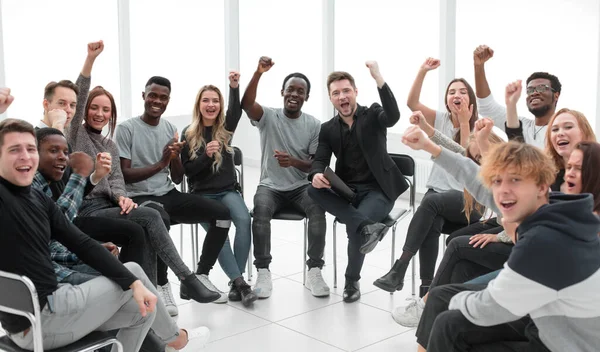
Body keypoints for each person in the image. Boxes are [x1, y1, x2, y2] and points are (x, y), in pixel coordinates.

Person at [0, 116, 209, 352]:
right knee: (134, 274)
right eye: (14, 150)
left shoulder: (35, 197)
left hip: (46, 311)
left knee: (143, 309)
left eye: (29, 149)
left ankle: (171, 337)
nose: (26, 156)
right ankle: (177, 338)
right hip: (43, 319)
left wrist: (133, 284)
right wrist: (133, 283)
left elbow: (79, 241)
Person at [403, 137, 600, 351]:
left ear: (542, 187)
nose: (503, 190)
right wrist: (430, 146)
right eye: (497, 181)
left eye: (515, 180)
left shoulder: (545, 236)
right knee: (447, 317)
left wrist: (449, 303)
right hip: (544, 316)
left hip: (562, 341)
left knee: (447, 318)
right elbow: (479, 183)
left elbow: (492, 306)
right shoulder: (560, 207)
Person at [66, 55, 219, 307]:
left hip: (108, 209)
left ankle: (147, 299)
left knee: (146, 222)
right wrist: (90, 61)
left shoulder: (109, 145)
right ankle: (187, 279)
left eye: (106, 110)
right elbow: (79, 94)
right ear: (84, 109)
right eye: (94, 108)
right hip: (82, 212)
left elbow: (116, 182)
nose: (99, 114)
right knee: (150, 216)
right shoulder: (76, 134)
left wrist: (122, 197)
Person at [115, 76, 234, 310]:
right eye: (153, 95)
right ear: (143, 96)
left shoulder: (170, 129)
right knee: (160, 218)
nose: (157, 101)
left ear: (168, 100)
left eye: (163, 97)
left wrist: (173, 158)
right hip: (139, 197)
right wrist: (161, 162)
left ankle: (200, 275)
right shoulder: (126, 129)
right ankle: (162, 284)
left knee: (222, 214)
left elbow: (178, 177)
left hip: (168, 192)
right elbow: (125, 175)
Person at [372, 58, 482, 298]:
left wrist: (465, 122)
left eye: (463, 92)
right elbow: (412, 103)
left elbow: (463, 163)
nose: (457, 95)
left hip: (468, 201)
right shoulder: (441, 118)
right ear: (446, 99)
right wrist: (422, 71)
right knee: (431, 221)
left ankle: (400, 267)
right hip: (439, 196)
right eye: (452, 91)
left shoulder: (480, 128)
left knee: (429, 203)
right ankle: (426, 290)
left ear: (471, 101)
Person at [307, 61, 407, 303]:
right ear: (331, 98)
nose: (342, 97)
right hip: (349, 191)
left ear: (355, 92)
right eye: (336, 93)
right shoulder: (328, 128)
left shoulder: (372, 114)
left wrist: (379, 78)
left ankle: (351, 280)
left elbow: (393, 116)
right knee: (313, 190)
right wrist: (316, 174)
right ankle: (367, 227)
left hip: (379, 191)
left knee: (353, 230)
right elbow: (319, 159)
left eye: (346, 91)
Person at [240, 56, 328, 298]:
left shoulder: (314, 125)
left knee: (318, 209)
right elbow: (247, 104)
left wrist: (294, 162)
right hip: (270, 186)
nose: (295, 94)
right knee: (260, 211)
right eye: (291, 89)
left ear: (306, 97)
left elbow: (314, 164)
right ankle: (263, 271)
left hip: (301, 187)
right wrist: (258, 73)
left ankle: (314, 271)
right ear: (282, 92)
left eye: (301, 91)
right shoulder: (269, 116)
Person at [181, 73, 257, 307]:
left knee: (244, 220)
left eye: (215, 100)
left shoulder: (225, 129)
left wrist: (234, 87)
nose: (211, 104)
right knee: (220, 233)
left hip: (227, 191)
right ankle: (240, 283)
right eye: (206, 100)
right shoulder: (188, 133)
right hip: (202, 196)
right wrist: (205, 156)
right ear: (199, 104)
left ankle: (236, 283)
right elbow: (188, 172)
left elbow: (236, 111)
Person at [473, 45, 561, 148]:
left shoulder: (563, 131)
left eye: (541, 88)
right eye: (530, 90)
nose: (534, 93)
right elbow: (486, 107)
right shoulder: (519, 124)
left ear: (556, 95)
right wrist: (478, 66)